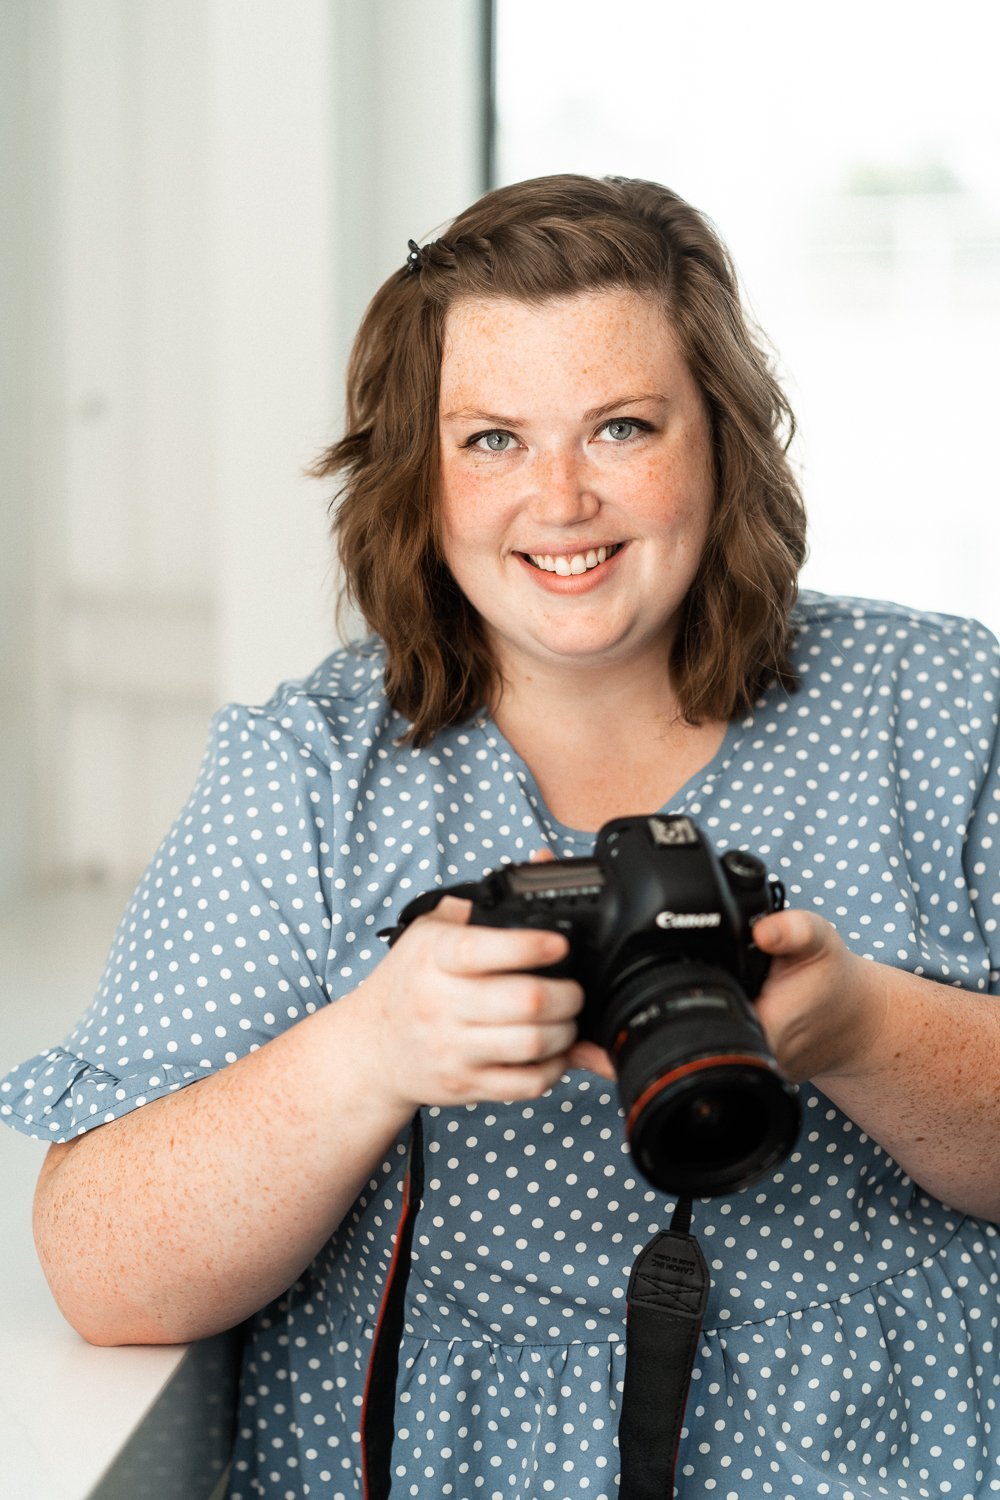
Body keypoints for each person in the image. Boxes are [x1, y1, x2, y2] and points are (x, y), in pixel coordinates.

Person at [3, 173, 1000, 1500]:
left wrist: (859, 1029)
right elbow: (106, 1272)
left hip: (890, 1448)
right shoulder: (309, 774)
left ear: (722, 441)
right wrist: (372, 1052)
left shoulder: (937, 711)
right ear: (421, 474)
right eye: (491, 440)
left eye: (623, 427)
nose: (562, 498)